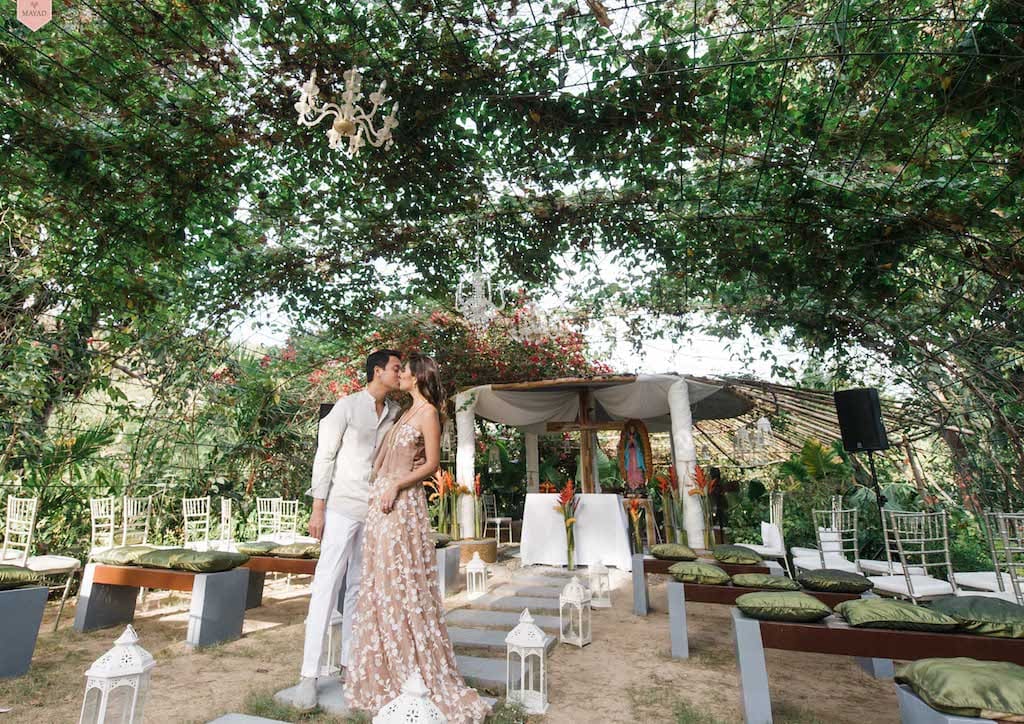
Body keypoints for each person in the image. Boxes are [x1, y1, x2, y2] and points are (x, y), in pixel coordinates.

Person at [346, 353, 490, 723]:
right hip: (381, 503)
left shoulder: (428, 414)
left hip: (403, 504)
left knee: (402, 582)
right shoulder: (403, 412)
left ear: (419, 376)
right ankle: (383, 672)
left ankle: (414, 669)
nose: (401, 375)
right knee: (379, 582)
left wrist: (396, 483)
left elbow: (431, 465)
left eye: (405, 371)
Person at [293, 349, 403, 712]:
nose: (400, 374)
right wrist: (318, 508)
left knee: (358, 586)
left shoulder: (395, 414)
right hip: (340, 507)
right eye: (395, 368)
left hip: (374, 511)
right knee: (327, 586)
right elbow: (324, 457)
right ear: (377, 372)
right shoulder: (345, 406)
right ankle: (308, 676)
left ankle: (349, 665)